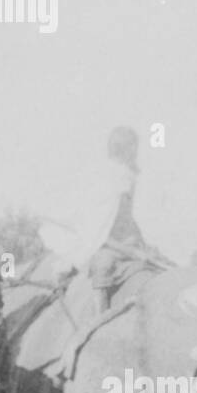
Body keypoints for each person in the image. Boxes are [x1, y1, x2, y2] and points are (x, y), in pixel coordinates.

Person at [40, 125, 149, 312]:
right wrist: (129, 251)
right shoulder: (111, 177)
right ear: (123, 148)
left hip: (123, 241)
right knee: (103, 265)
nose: (136, 153)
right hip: (103, 242)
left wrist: (140, 244)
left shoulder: (127, 175)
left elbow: (125, 217)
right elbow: (98, 231)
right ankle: (99, 320)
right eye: (133, 148)